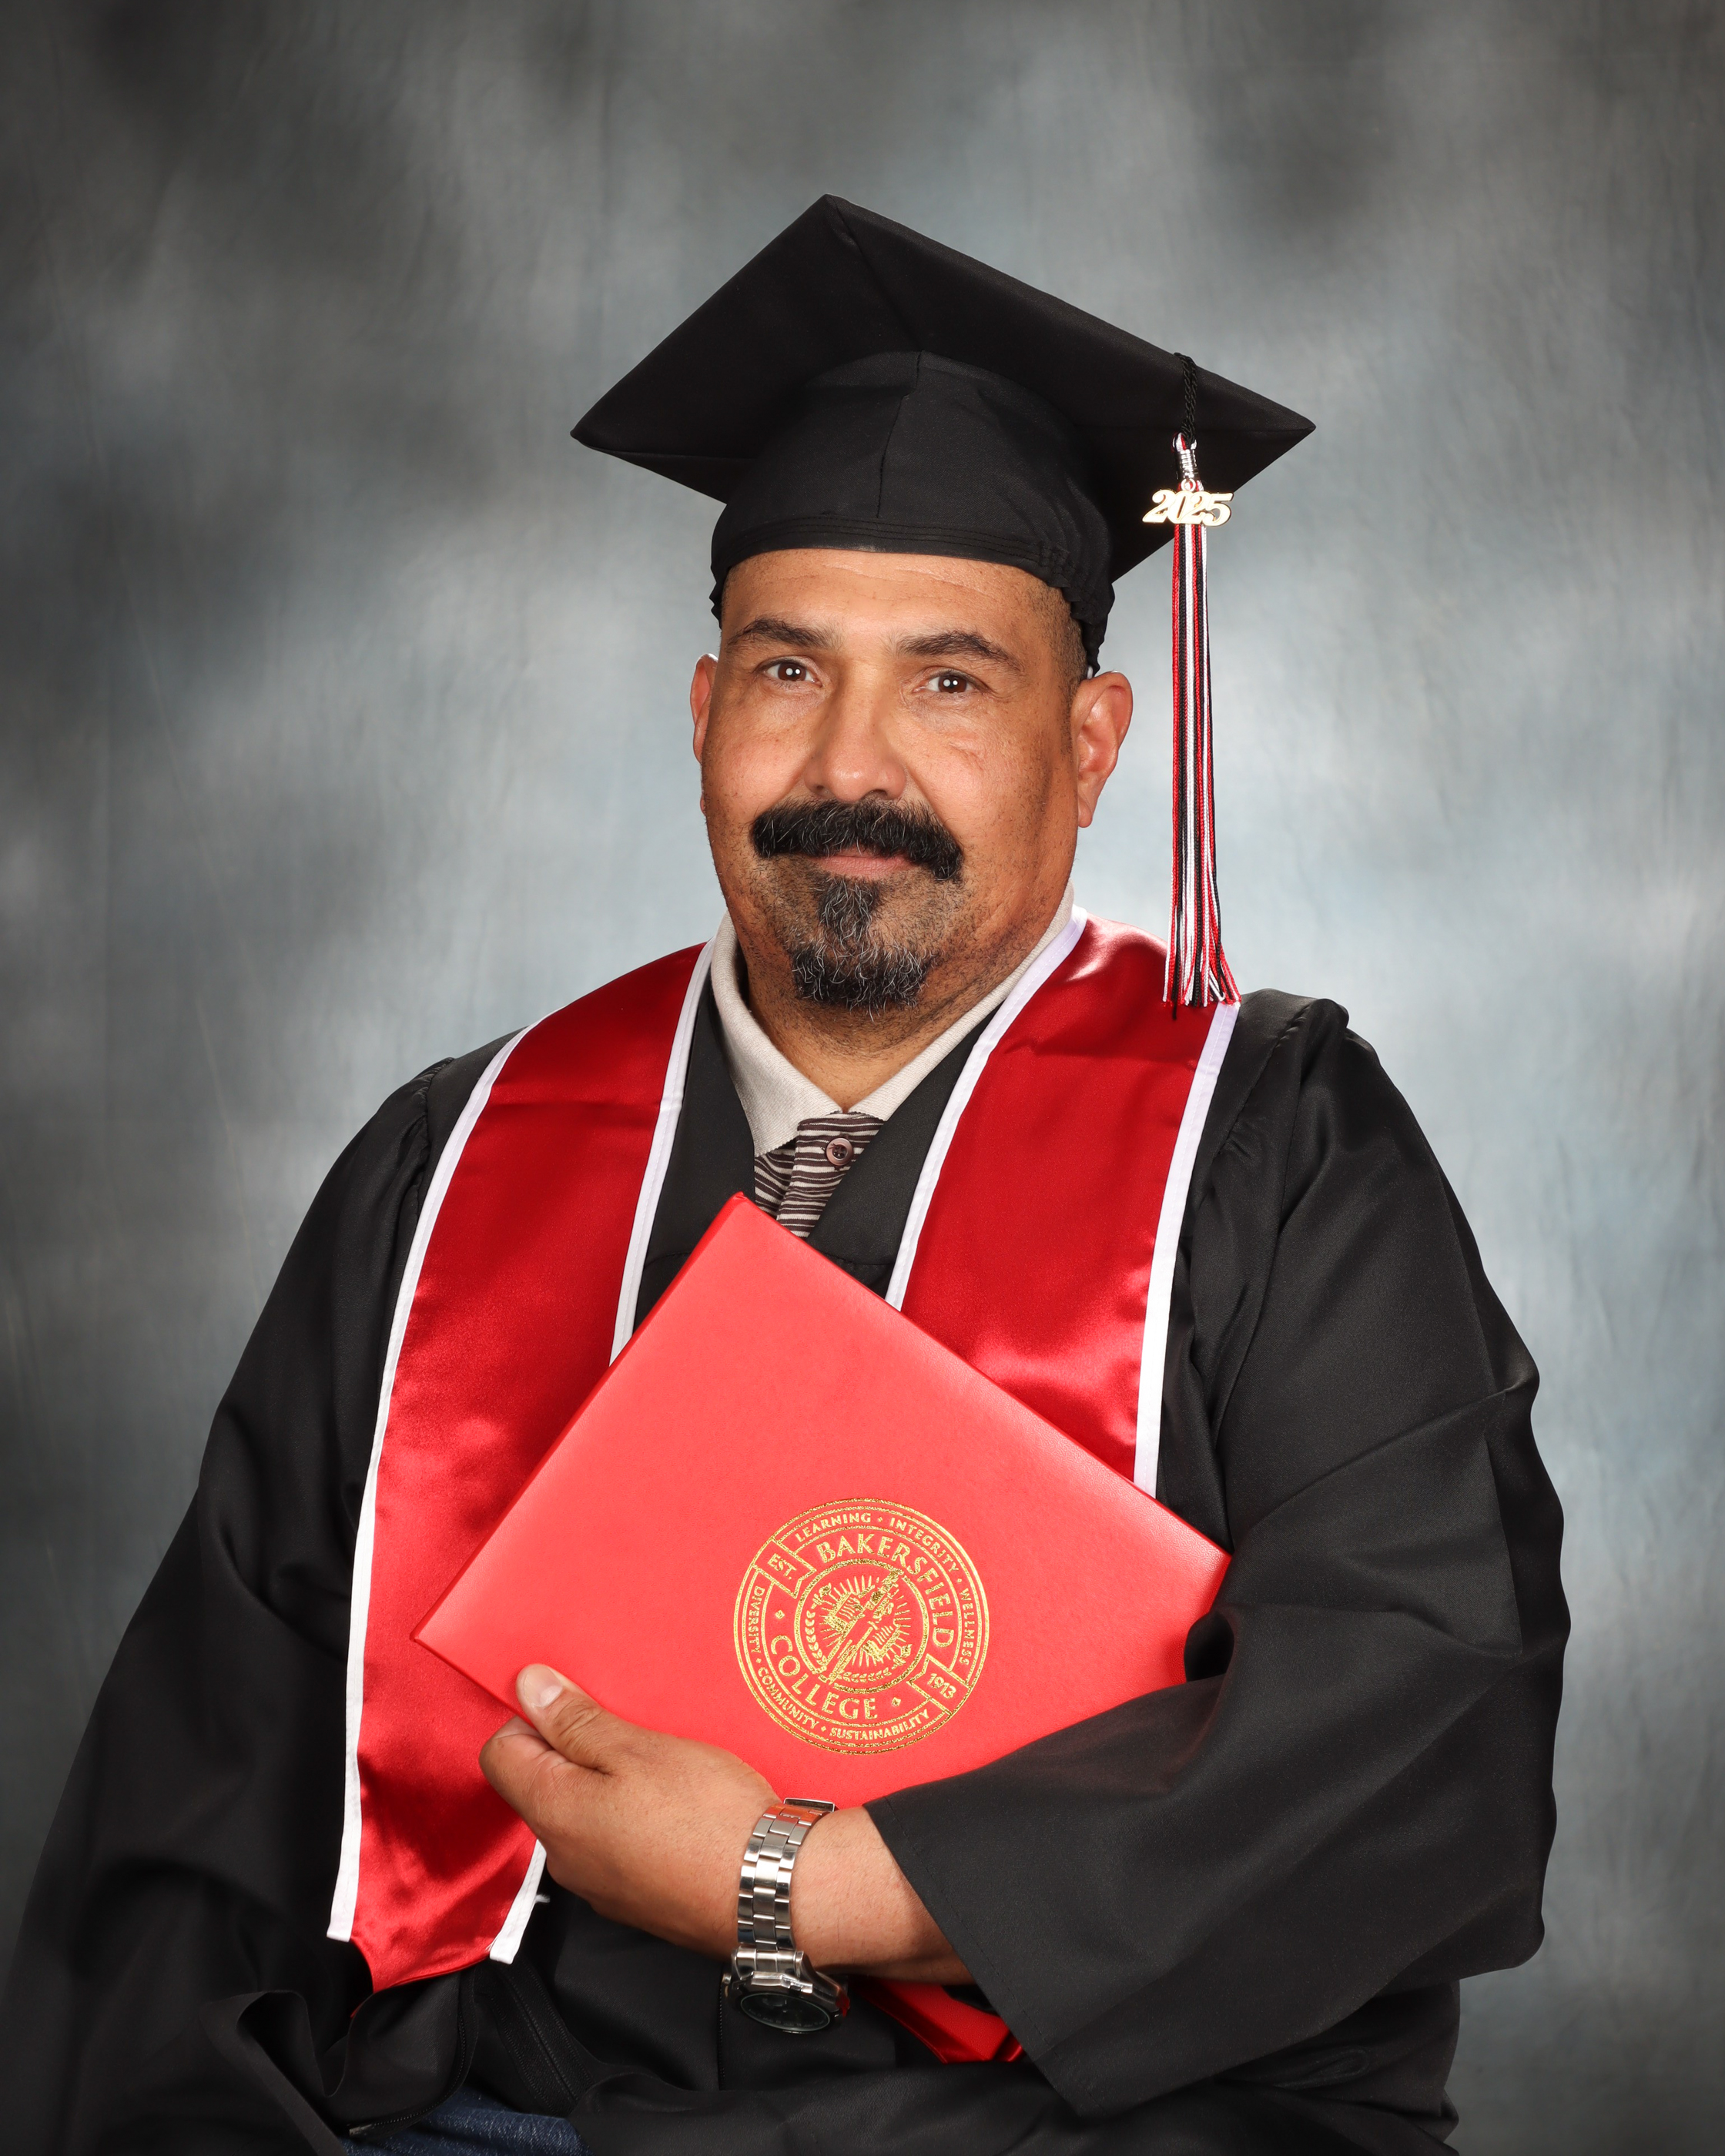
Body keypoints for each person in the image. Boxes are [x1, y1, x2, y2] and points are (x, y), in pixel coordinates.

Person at [2, 199, 1566, 2156]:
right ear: (701, 713)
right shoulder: (454, 1156)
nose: (852, 768)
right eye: (785, 668)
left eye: (951, 681)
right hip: (482, 2111)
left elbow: (1422, 1723)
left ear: (1094, 745)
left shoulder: (1273, 1148)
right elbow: (192, 1817)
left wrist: (821, 1881)